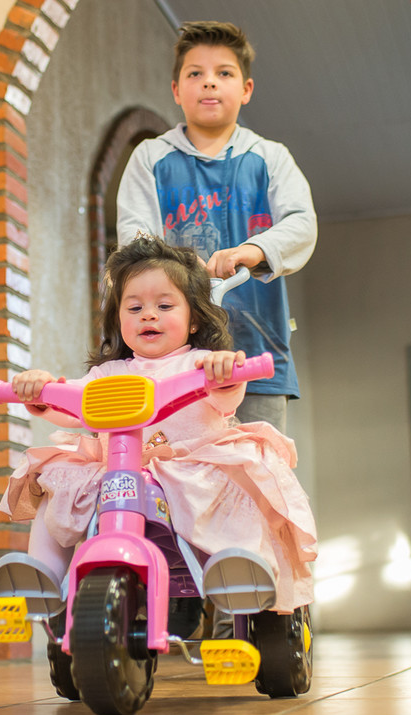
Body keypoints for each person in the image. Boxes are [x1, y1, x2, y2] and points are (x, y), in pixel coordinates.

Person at [0, 236, 316, 616]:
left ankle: (237, 562)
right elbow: (73, 406)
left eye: (164, 305)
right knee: (57, 474)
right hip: (119, 472)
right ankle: (42, 574)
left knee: (239, 474)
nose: (148, 315)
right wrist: (41, 391)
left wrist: (225, 373)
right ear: (119, 320)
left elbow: (226, 397)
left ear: (194, 319)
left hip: (191, 468)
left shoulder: (202, 363)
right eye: (134, 307)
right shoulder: (108, 374)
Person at [116, 20, 317, 435]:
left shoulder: (270, 158)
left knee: (260, 473)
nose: (209, 83)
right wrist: (179, 264)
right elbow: (135, 236)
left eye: (224, 73)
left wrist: (255, 251)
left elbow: (302, 224)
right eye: (196, 74)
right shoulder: (150, 158)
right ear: (176, 89)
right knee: (172, 469)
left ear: (245, 89)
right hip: (170, 363)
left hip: (257, 353)